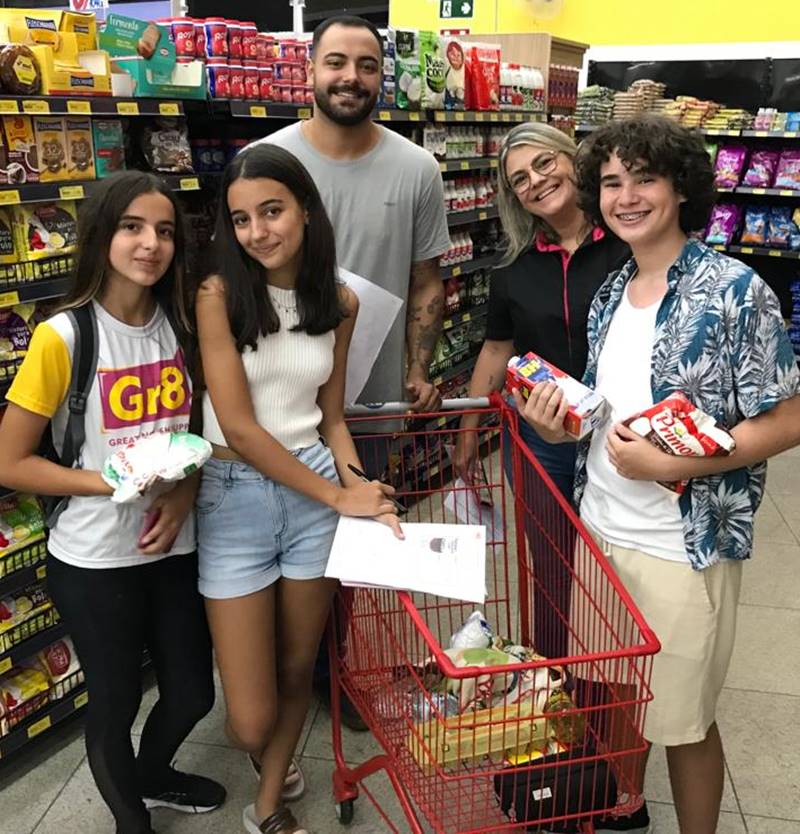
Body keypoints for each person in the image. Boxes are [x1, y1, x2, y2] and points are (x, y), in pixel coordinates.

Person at [516, 115, 800, 834]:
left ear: (680, 188)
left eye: (644, 179)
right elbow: (606, 412)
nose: (627, 196)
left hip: (683, 545)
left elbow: (788, 418)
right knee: (615, 693)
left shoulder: (735, 290)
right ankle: (625, 806)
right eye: (612, 182)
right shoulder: (614, 290)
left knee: (684, 720)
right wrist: (556, 425)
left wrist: (671, 464)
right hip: (601, 532)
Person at [0, 172, 225, 834]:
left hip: (173, 546)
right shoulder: (63, 337)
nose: (150, 243)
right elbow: (10, 461)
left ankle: (152, 776)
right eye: (132, 227)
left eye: (164, 230)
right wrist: (110, 481)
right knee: (115, 700)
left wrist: (183, 493)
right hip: (95, 557)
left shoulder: (181, 327)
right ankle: (133, 822)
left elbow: (201, 429)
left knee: (192, 691)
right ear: (101, 234)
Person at [194, 143, 401, 834]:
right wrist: (337, 496)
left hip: (314, 489)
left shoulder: (339, 301)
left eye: (272, 211)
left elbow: (331, 418)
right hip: (233, 494)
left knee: (296, 665)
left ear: (306, 210)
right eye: (241, 219)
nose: (258, 232)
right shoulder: (219, 296)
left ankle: (266, 807)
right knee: (251, 718)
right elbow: (240, 427)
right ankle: (266, 753)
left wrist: (363, 491)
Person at [257, 13, 451, 728]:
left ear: (382, 78)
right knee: (273, 535)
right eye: (336, 62)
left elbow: (427, 281)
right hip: (275, 400)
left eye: (367, 65)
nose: (351, 77)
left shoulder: (417, 167)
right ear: (309, 71)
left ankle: (329, 672)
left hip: (369, 404)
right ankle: (272, 673)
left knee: (348, 545)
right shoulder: (267, 159)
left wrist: (419, 366)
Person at [454, 121, 629, 657]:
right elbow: (496, 348)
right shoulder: (513, 266)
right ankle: (554, 671)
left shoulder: (628, 240)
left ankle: (611, 666)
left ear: (572, 158)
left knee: (616, 562)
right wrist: (468, 430)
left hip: (622, 434)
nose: (535, 181)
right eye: (519, 179)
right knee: (553, 565)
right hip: (540, 437)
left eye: (544, 163)